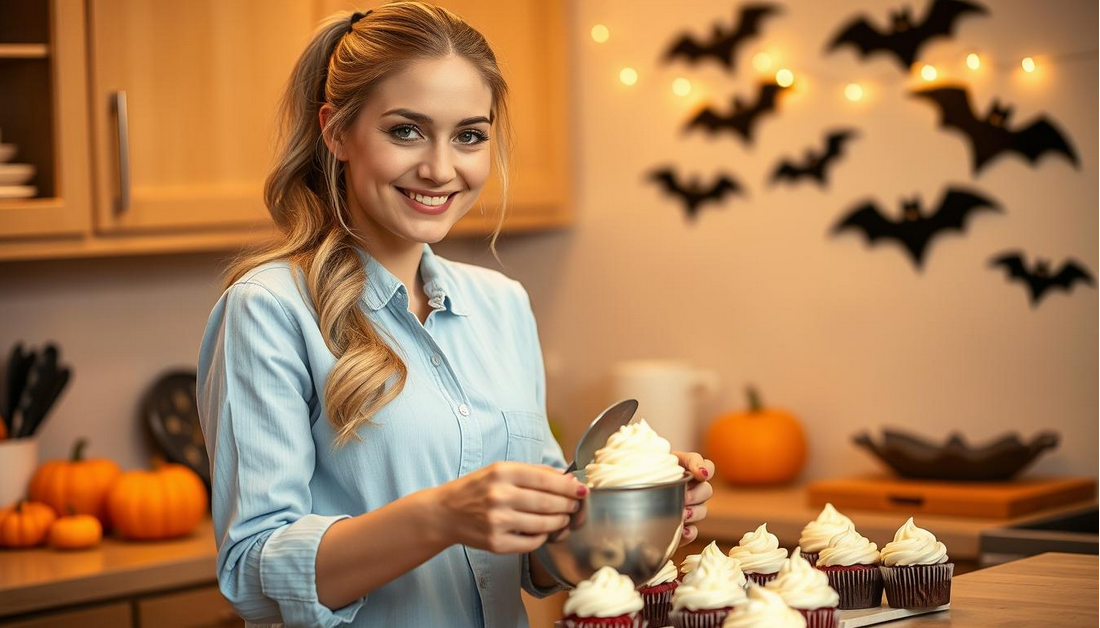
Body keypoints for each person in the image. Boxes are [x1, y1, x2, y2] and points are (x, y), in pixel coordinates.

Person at [197, 4, 714, 627]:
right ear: (336, 132)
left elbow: (536, 563)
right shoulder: (268, 309)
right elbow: (254, 575)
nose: (441, 169)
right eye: (406, 131)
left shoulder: (501, 304)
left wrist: (627, 511)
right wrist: (441, 516)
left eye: (469, 135)